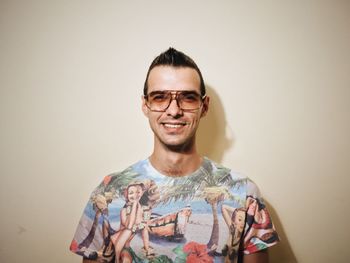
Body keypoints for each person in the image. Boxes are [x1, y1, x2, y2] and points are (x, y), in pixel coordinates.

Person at [70, 48, 279, 263]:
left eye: (188, 98)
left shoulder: (244, 194)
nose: (174, 110)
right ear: (145, 106)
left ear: (204, 106)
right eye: (160, 97)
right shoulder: (108, 193)